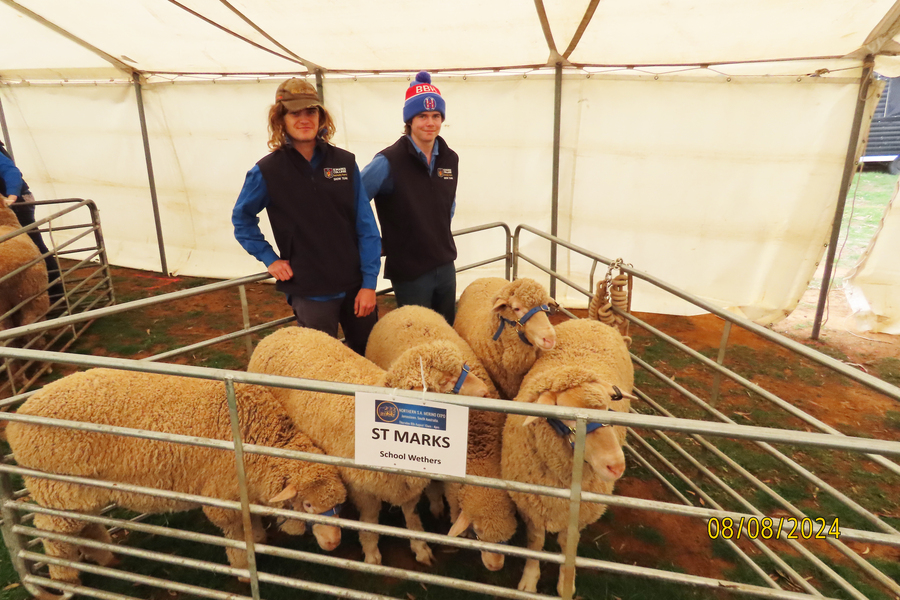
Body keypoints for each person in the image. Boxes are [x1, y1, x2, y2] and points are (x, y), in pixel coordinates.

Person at [232, 78, 381, 355]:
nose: (304, 119)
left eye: (310, 111)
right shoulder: (266, 171)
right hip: (310, 291)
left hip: (356, 288)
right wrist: (269, 258)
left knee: (368, 360)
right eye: (294, 113)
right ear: (280, 119)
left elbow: (367, 227)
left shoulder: (345, 163)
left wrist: (369, 283)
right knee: (320, 366)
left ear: (321, 116)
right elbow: (242, 219)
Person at [361, 71, 458, 325]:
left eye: (436, 116)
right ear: (410, 121)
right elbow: (354, 199)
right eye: (422, 116)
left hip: (445, 263)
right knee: (418, 333)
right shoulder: (388, 161)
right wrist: (374, 240)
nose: (430, 123)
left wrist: (437, 230)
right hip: (410, 270)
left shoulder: (450, 159)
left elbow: (449, 203)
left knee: (447, 329)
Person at [0, 140, 64, 304]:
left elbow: (11, 172)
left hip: (17, 203)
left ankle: (56, 296)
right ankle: (17, 298)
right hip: (6, 205)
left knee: (33, 247)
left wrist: (12, 197)